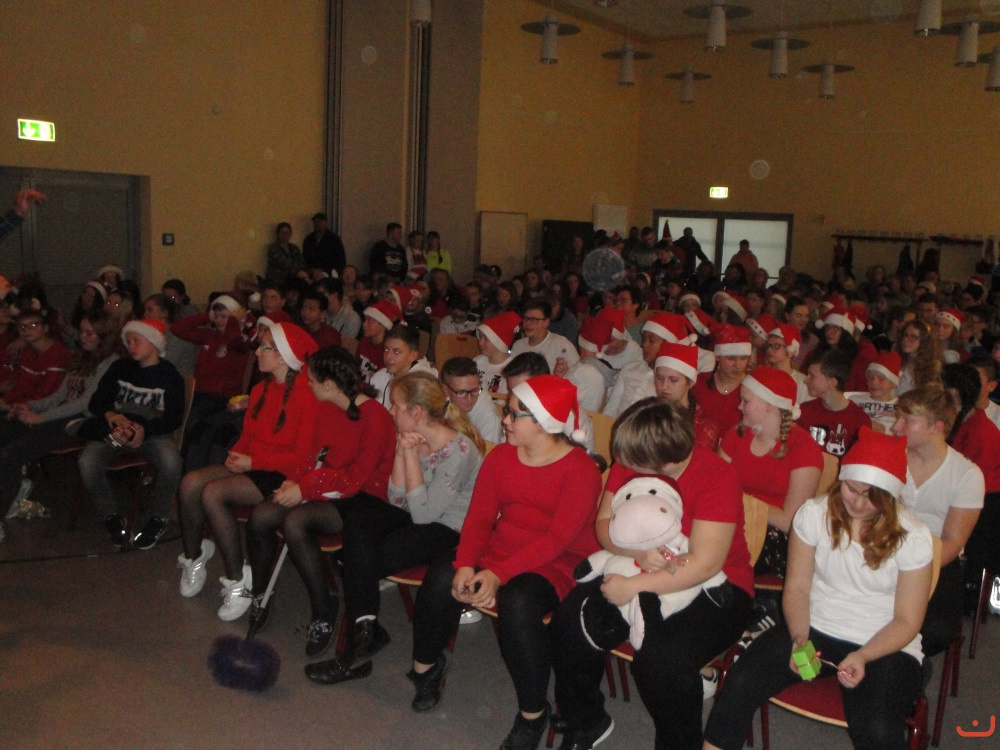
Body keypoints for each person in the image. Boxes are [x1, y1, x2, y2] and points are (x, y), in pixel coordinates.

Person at [703, 428, 933, 750]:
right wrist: (800, 640)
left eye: (872, 496)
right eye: (852, 489)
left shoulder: (914, 536)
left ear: (889, 496)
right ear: (841, 479)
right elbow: (797, 589)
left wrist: (863, 656)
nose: (859, 502)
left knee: (877, 729)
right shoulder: (813, 514)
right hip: (816, 626)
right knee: (741, 683)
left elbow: (907, 620)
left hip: (885, 643)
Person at [405, 376, 601, 750]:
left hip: (557, 561)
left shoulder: (580, 470)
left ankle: (532, 714)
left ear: (542, 423)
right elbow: (480, 518)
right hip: (504, 548)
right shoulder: (502, 457)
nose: (504, 420)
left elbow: (557, 540)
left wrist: (499, 574)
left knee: (518, 603)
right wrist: (466, 562)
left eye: (513, 414)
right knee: (444, 574)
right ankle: (425, 669)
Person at [551, 399, 753, 750]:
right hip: (637, 565)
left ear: (666, 462)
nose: (624, 467)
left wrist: (634, 587)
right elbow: (603, 525)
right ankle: (586, 721)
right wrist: (637, 555)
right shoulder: (634, 459)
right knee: (570, 624)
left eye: (633, 464)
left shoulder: (717, 476)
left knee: (662, 662)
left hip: (718, 587)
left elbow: (705, 563)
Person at [305, 372, 484, 678]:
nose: (390, 411)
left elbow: (425, 516)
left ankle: (357, 646)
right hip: (417, 515)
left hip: (449, 529)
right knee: (358, 522)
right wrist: (403, 451)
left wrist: (409, 455)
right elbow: (397, 499)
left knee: (361, 559)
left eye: (396, 406)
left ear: (416, 413)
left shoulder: (460, 451)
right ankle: (365, 630)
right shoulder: (410, 435)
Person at [239, 346, 396, 656]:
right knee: (262, 515)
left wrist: (306, 488)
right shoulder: (326, 407)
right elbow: (313, 456)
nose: (307, 384)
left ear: (329, 385)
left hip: (363, 498)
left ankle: (324, 609)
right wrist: (296, 480)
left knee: (296, 522)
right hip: (327, 488)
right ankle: (260, 593)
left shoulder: (376, 417)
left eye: (311, 380)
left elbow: (355, 479)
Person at [175, 323, 318, 620]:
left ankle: (238, 580)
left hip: (283, 473)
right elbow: (248, 436)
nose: (258, 352)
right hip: (255, 465)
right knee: (190, 483)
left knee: (213, 493)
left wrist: (252, 462)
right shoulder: (260, 389)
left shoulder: (307, 394)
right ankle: (193, 557)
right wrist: (236, 455)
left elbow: (300, 457)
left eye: (265, 347)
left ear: (284, 357)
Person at [891, 385, 983, 658]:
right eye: (898, 417)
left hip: (935, 560)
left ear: (937, 427)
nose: (896, 426)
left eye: (907, 420)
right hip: (883, 548)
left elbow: (951, 543)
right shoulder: (889, 455)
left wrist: (909, 569)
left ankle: (909, 665)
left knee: (932, 631)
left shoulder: (966, 475)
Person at [77, 319, 185, 548]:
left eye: (137, 340)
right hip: (119, 430)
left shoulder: (169, 375)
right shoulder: (120, 367)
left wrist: (146, 430)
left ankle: (158, 517)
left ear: (154, 343)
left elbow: (173, 418)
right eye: (128, 341)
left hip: (152, 433)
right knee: (88, 461)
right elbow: (96, 402)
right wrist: (110, 414)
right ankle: (111, 516)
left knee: (171, 461)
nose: (131, 346)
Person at [0, 312, 119, 519]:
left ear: (104, 336)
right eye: (82, 331)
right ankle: (15, 490)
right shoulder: (82, 358)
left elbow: (85, 403)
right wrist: (27, 406)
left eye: (90, 333)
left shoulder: (110, 362)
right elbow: (59, 395)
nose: (83, 336)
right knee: (5, 432)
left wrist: (41, 417)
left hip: (82, 419)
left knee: (15, 451)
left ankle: (3, 511)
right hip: (61, 413)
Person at [720, 366, 822, 580]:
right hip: (733, 522)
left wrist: (744, 502)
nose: (739, 406)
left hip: (774, 535)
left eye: (746, 401)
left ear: (769, 405)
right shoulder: (737, 434)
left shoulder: (804, 449)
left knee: (718, 552)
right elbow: (715, 488)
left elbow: (790, 520)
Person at [798, 350, 872, 457]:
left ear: (832, 382)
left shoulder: (859, 420)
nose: (805, 380)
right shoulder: (803, 411)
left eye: (812, 376)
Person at [654, 341, 724, 452]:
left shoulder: (704, 426)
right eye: (659, 378)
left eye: (673, 380)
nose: (664, 386)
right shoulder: (647, 414)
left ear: (690, 383)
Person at [0, 309, 72, 411]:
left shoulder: (57, 354)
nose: (26, 330)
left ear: (45, 328)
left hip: (47, 410)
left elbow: (47, 393)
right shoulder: (28, 350)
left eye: (33, 325)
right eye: (22, 326)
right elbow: (22, 386)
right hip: (23, 405)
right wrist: (5, 401)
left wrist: (12, 406)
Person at [691, 324, 751, 435]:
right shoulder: (701, 382)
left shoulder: (752, 389)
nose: (737, 365)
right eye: (731, 358)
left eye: (743, 358)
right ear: (717, 357)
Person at [369, 324, 436, 406]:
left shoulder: (426, 385)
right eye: (386, 350)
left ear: (413, 356)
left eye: (396, 352)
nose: (388, 357)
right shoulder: (378, 378)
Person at [509, 301, 579, 379]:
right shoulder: (518, 346)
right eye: (525, 318)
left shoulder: (561, 344)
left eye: (533, 320)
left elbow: (578, 374)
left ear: (546, 322)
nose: (527, 323)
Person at [441, 356, 501, 444]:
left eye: (474, 390)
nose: (469, 399)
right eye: (461, 392)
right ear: (446, 390)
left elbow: (489, 451)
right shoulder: (439, 403)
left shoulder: (488, 416)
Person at [847, 350, 901, 432]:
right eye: (870, 377)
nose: (874, 382)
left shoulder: (901, 406)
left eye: (881, 378)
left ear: (893, 383)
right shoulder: (854, 400)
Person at [475, 311, 519, 396]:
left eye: (486, 338)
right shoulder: (478, 361)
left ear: (498, 342)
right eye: (480, 337)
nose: (480, 342)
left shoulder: (512, 370)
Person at [357, 298, 401, 382]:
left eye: (370, 321)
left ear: (383, 325)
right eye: (365, 320)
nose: (364, 324)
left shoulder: (387, 351)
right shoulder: (364, 341)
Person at [894, 319, 941, 395]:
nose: (906, 339)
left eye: (913, 337)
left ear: (924, 342)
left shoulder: (931, 368)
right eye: (905, 335)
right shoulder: (896, 361)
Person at [303, 212, 346, 278]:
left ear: (326, 223)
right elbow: (305, 257)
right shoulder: (309, 239)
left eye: (319, 222)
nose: (317, 224)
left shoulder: (334, 239)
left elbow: (341, 259)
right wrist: (310, 270)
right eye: (315, 222)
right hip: (312, 274)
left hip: (330, 274)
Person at [265, 221, 305, 285]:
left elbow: (301, 262)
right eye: (282, 232)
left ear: (291, 233)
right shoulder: (273, 247)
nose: (285, 234)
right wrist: (297, 269)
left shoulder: (294, 248)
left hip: (292, 280)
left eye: (287, 232)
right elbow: (283, 263)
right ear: (277, 234)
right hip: (277, 281)